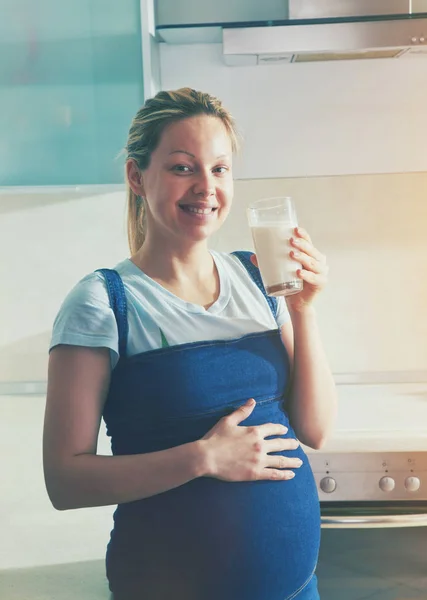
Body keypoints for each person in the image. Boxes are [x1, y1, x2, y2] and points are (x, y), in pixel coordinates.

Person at [43, 87, 337, 600]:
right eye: (183, 167)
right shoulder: (103, 302)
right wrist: (202, 458)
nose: (206, 187)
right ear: (138, 176)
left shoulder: (257, 274)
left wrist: (303, 309)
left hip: (295, 589)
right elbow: (64, 481)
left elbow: (315, 427)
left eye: (219, 169)